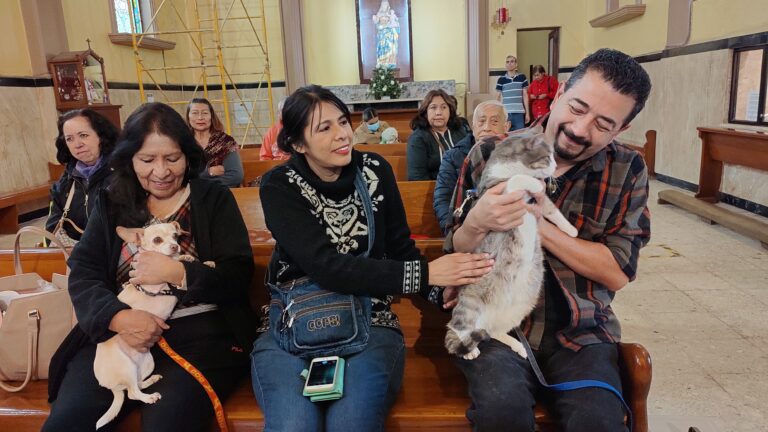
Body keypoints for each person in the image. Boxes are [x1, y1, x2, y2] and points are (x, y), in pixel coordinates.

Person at [250, 85, 494, 431]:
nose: (342, 135)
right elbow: (327, 267)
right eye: (325, 128)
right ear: (298, 143)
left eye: (342, 122)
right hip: (293, 322)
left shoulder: (374, 169)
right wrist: (427, 275)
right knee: (293, 425)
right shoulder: (279, 185)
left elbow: (400, 249)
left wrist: (444, 294)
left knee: (352, 423)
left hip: (371, 319)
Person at [446, 48, 652, 431]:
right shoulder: (489, 153)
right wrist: (476, 220)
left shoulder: (628, 169)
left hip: (581, 330)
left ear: (620, 130)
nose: (580, 129)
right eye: (577, 108)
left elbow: (617, 272)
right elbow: (454, 248)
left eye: (603, 124)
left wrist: (538, 224)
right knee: (501, 413)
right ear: (557, 95)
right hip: (496, 322)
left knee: (599, 421)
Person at [43, 102, 255, 432]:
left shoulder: (212, 198)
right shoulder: (113, 199)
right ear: (129, 159)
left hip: (198, 338)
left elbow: (238, 273)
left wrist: (179, 273)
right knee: (69, 421)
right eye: (147, 160)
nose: (161, 171)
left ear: (188, 156)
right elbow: (84, 271)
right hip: (117, 335)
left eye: (172, 158)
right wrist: (118, 316)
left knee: (166, 421)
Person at [433, 100, 509, 234]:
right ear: (473, 126)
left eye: (494, 122)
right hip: (469, 231)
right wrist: (454, 235)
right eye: (481, 121)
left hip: (506, 230)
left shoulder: (516, 155)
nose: (486, 127)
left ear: (507, 126)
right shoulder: (453, 157)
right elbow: (443, 199)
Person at [46, 108, 118, 244]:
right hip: (74, 258)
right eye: (69, 139)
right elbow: (51, 229)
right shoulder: (65, 182)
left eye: (83, 135)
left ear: (101, 136)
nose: (77, 144)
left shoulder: (123, 174)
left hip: (113, 257)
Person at [407, 89, 469, 180]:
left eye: (444, 107)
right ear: (425, 112)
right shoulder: (418, 138)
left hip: (463, 187)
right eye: (433, 107)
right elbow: (417, 177)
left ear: (450, 111)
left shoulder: (460, 131)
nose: (439, 112)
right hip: (434, 190)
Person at [186, 98, 244, 187]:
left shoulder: (225, 142)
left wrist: (198, 183)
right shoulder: (182, 143)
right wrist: (208, 172)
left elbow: (236, 176)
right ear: (188, 117)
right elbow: (181, 177)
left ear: (211, 116)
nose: (200, 117)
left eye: (205, 113)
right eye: (195, 113)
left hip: (220, 194)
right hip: (190, 195)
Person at [495, 55, 530, 131]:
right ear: (505, 65)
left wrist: (527, 113)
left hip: (519, 113)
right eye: (507, 62)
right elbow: (497, 97)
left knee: (519, 137)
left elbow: (525, 95)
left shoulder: (522, 77)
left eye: (512, 61)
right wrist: (496, 112)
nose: (509, 64)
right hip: (506, 113)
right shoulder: (501, 79)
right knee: (506, 137)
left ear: (516, 64)